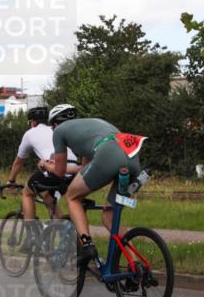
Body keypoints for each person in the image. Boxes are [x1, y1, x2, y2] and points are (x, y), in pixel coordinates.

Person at [46, 104, 146, 266]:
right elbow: (85, 169)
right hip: (132, 157)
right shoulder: (92, 126)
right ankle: (135, 265)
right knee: (109, 216)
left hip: (107, 154)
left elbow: (59, 171)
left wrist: (46, 165)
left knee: (72, 197)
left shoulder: (59, 130)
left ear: (55, 123)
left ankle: (87, 246)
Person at [6, 106, 78, 231]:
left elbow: (18, 161)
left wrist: (11, 181)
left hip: (55, 168)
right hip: (73, 170)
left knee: (27, 193)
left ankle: (31, 234)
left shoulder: (30, 133)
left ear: (33, 122)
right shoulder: (56, 129)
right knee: (47, 197)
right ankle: (63, 229)